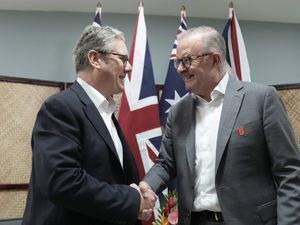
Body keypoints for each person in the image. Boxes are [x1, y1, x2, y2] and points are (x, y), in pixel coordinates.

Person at [140, 26, 300, 225]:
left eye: (187, 60)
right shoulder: (177, 112)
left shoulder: (261, 99)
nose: (181, 69)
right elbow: (166, 163)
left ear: (215, 59)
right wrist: (147, 186)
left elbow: (289, 171)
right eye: (178, 62)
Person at [22, 25, 156, 225]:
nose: (128, 67)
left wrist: (134, 208)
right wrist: (132, 200)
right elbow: (63, 181)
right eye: (123, 59)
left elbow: (110, 179)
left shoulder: (105, 112)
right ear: (95, 59)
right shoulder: (60, 107)